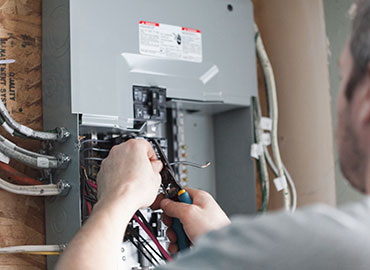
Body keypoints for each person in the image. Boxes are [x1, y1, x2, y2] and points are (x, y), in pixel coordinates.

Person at [56, 1, 370, 269]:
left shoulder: (334, 245)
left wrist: (119, 196)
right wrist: (227, 244)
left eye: (341, 78)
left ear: (364, 107)